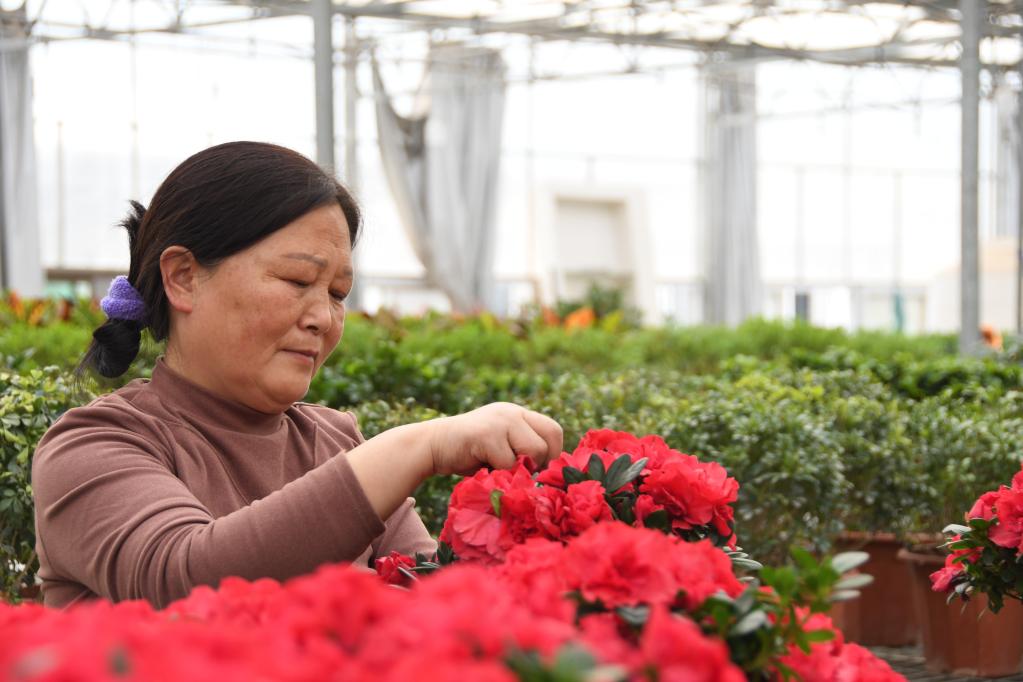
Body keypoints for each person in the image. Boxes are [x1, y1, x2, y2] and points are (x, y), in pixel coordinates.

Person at [31, 141, 563, 610]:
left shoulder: (335, 442)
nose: (323, 318)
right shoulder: (92, 446)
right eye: (297, 280)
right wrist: (417, 446)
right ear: (184, 278)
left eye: (337, 294)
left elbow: (430, 595)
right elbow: (185, 580)